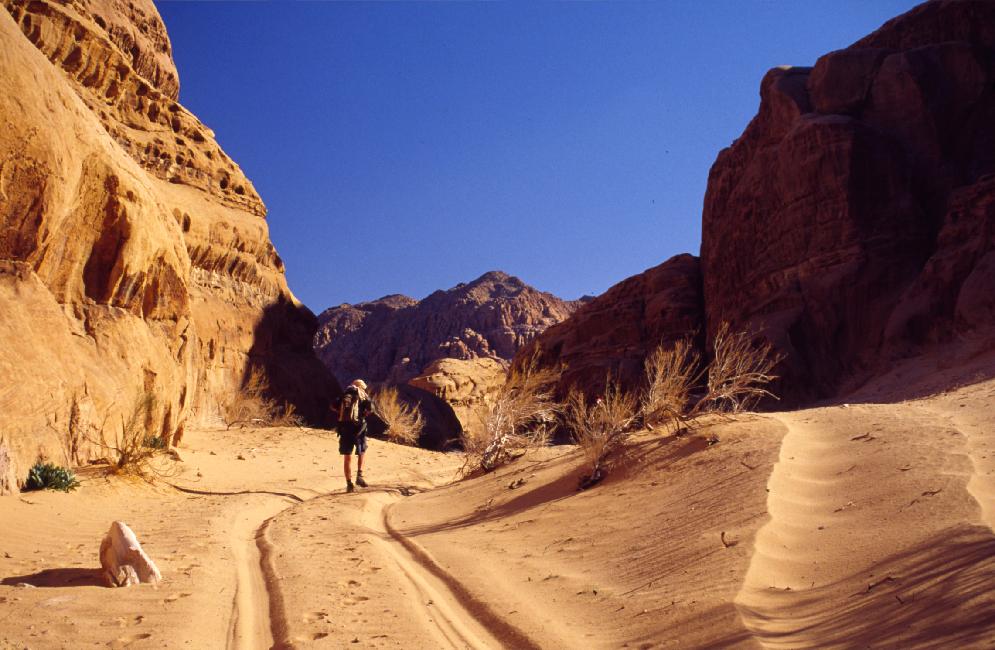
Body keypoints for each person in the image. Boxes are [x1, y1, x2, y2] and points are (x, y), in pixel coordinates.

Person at [336, 379, 373, 493]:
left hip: (344, 430)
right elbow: (371, 409)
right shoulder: (363, 395)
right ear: (361, 387)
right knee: (362, 451)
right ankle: (359, 476)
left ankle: (349, 484)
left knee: (347, 457)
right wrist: (363, 415)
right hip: (358, 429)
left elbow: (333, 406)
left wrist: (343, 415)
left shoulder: (344, 395)